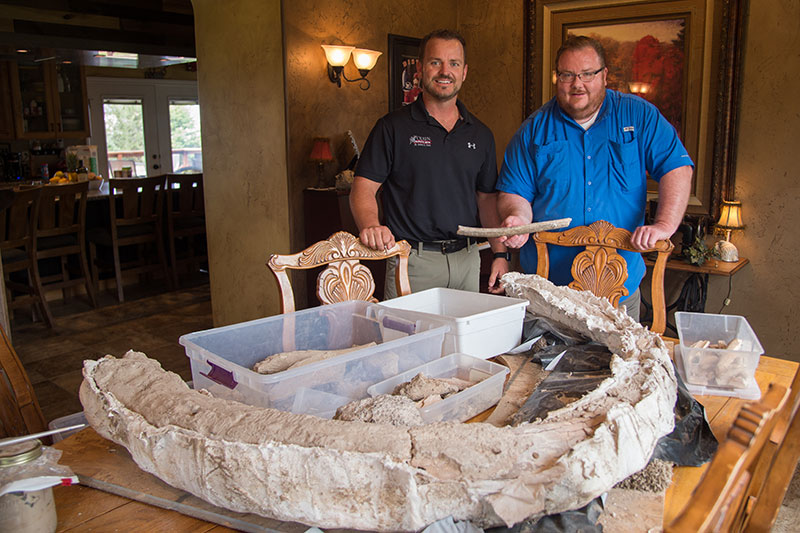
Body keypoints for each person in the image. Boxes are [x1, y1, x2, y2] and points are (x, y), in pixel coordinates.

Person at [496, 35, 694, 319]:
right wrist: (518, 218)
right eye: (567, 75)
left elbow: (676, 166)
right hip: (550, 291)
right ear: (557, 78)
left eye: (587, 74)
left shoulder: (639, 115)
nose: (577, 84)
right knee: (545, 364)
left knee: (622, 362)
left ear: (604, 76)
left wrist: (664, 224)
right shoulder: (533, 129)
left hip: (620, 291)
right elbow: (515, 192)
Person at [350, 29, 509, 298]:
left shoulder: (481, 134)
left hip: (468, 261)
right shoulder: (392, 128)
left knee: (463, 341)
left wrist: (500, 254)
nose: (445, 71)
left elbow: (486, 200)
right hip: (413, 262)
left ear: (464, 72)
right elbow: (362, 190)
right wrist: (371, 225)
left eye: (454, 63)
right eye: (436, 62)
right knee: (409, 339)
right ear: (420, 69)